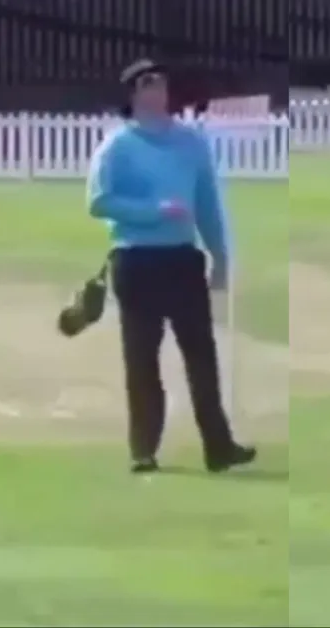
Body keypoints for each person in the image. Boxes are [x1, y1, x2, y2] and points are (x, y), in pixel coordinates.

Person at [85, 58, 255, 474]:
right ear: (132, 95)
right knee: (142, 358)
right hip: (136, 259)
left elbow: (207, 204)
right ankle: (142, 449)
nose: (157, 89)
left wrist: (221, 254)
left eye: (160, 81)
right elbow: (99, 202)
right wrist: (153, 210)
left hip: (182, 257)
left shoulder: (191, 142)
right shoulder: (117, 146)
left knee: (202, 357)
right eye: (146, 83)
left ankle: (219, 446)